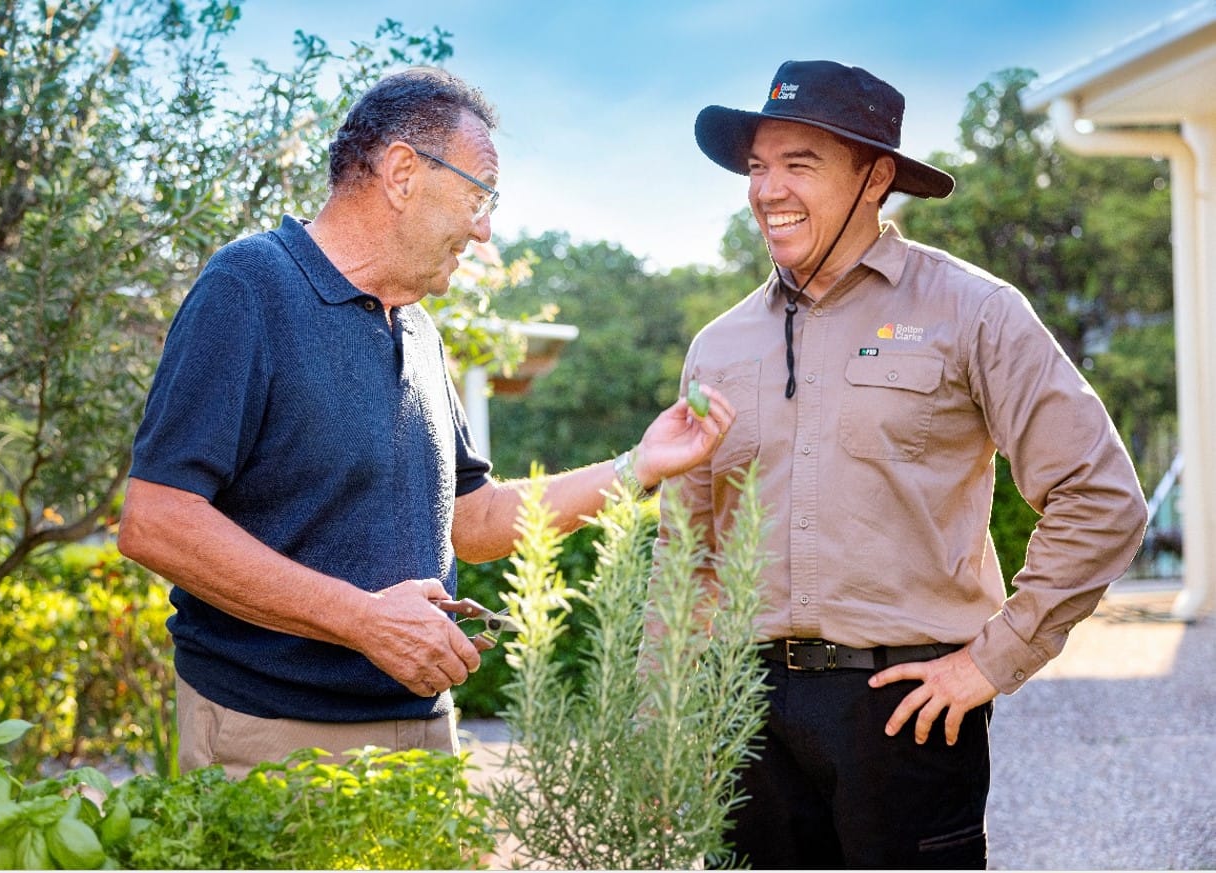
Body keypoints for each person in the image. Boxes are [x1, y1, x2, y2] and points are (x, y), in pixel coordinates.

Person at [117, 67, 735, 779]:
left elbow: (474, 520)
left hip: (421, 731)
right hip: (269, 734)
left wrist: (639, 466)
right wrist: (363, 619)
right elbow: (156, 518)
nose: (484, 229)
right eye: (478, 197)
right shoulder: (250, 287)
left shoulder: (420, 334)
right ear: (403, 173)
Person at [668, 60, 1148, 868]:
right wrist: (665, 714)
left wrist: (991, 660)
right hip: (741, 712)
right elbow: (685, 550)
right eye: (757, 165)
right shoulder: (717, 346)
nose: (766, 189)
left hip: (907, 713)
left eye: (799, 163)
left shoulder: (975, 311)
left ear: (875, 176)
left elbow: (1102, 498)